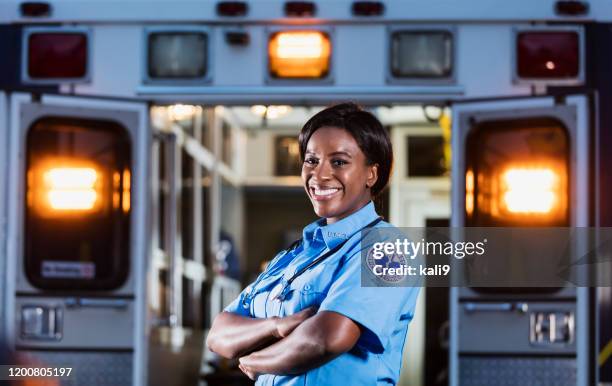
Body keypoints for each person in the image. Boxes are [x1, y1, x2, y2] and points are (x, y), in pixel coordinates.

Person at [207, 102, 421, 385]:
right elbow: (219, 335)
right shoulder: (291, 258)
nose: (319, 175)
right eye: (311, 160)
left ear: (371, 174)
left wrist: (256, 360)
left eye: (339, 162)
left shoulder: (389, 248)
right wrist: (277, 326)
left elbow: (328, 338)